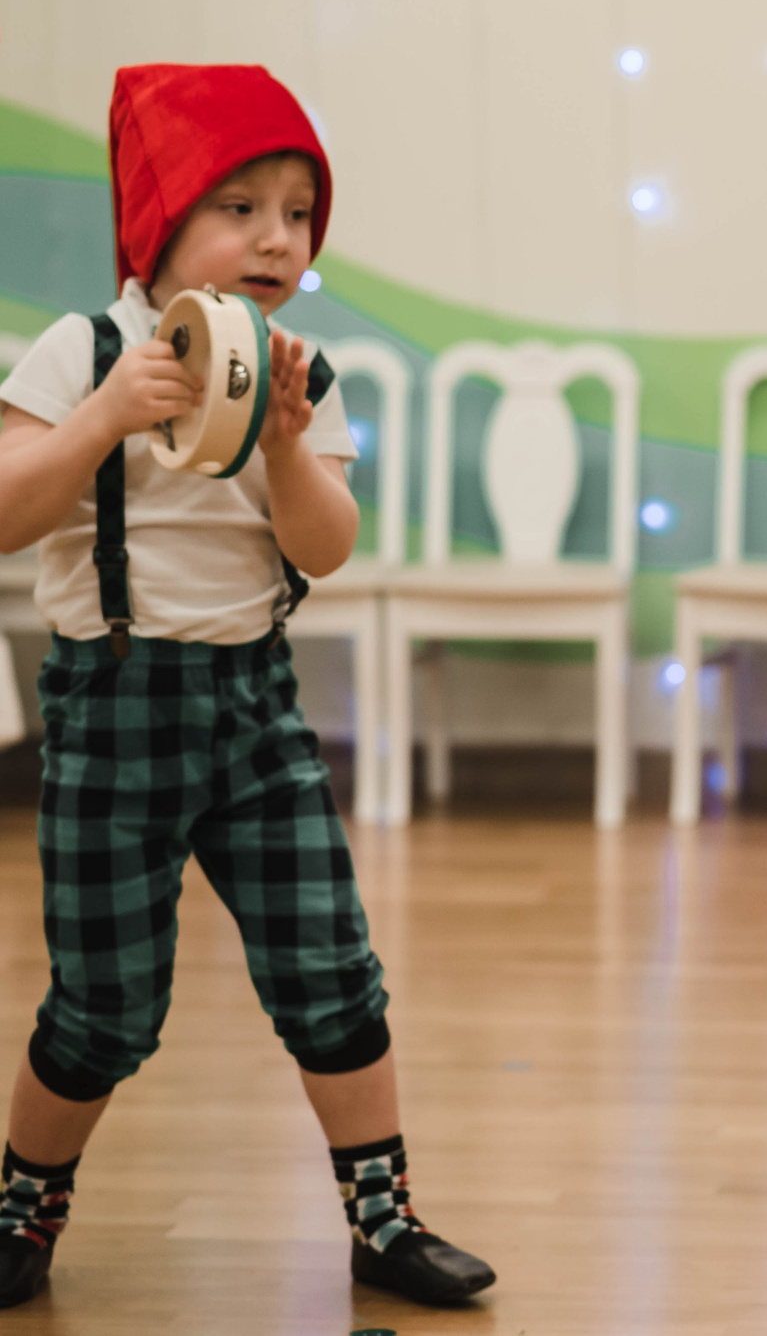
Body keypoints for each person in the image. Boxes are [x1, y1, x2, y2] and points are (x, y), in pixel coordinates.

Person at [0, 65, 494, 1309]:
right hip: (112, 709)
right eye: (241, 207)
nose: (278, 238)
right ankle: (23, 1205)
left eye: (299, 211)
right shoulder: (83, 350)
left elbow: (326, 546)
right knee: (107, 1003)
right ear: (158, 219)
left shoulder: (298, 372)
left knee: (331, 968)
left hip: (255, 708)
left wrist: (285, 448)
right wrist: (101, 417)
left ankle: (382, 1217)